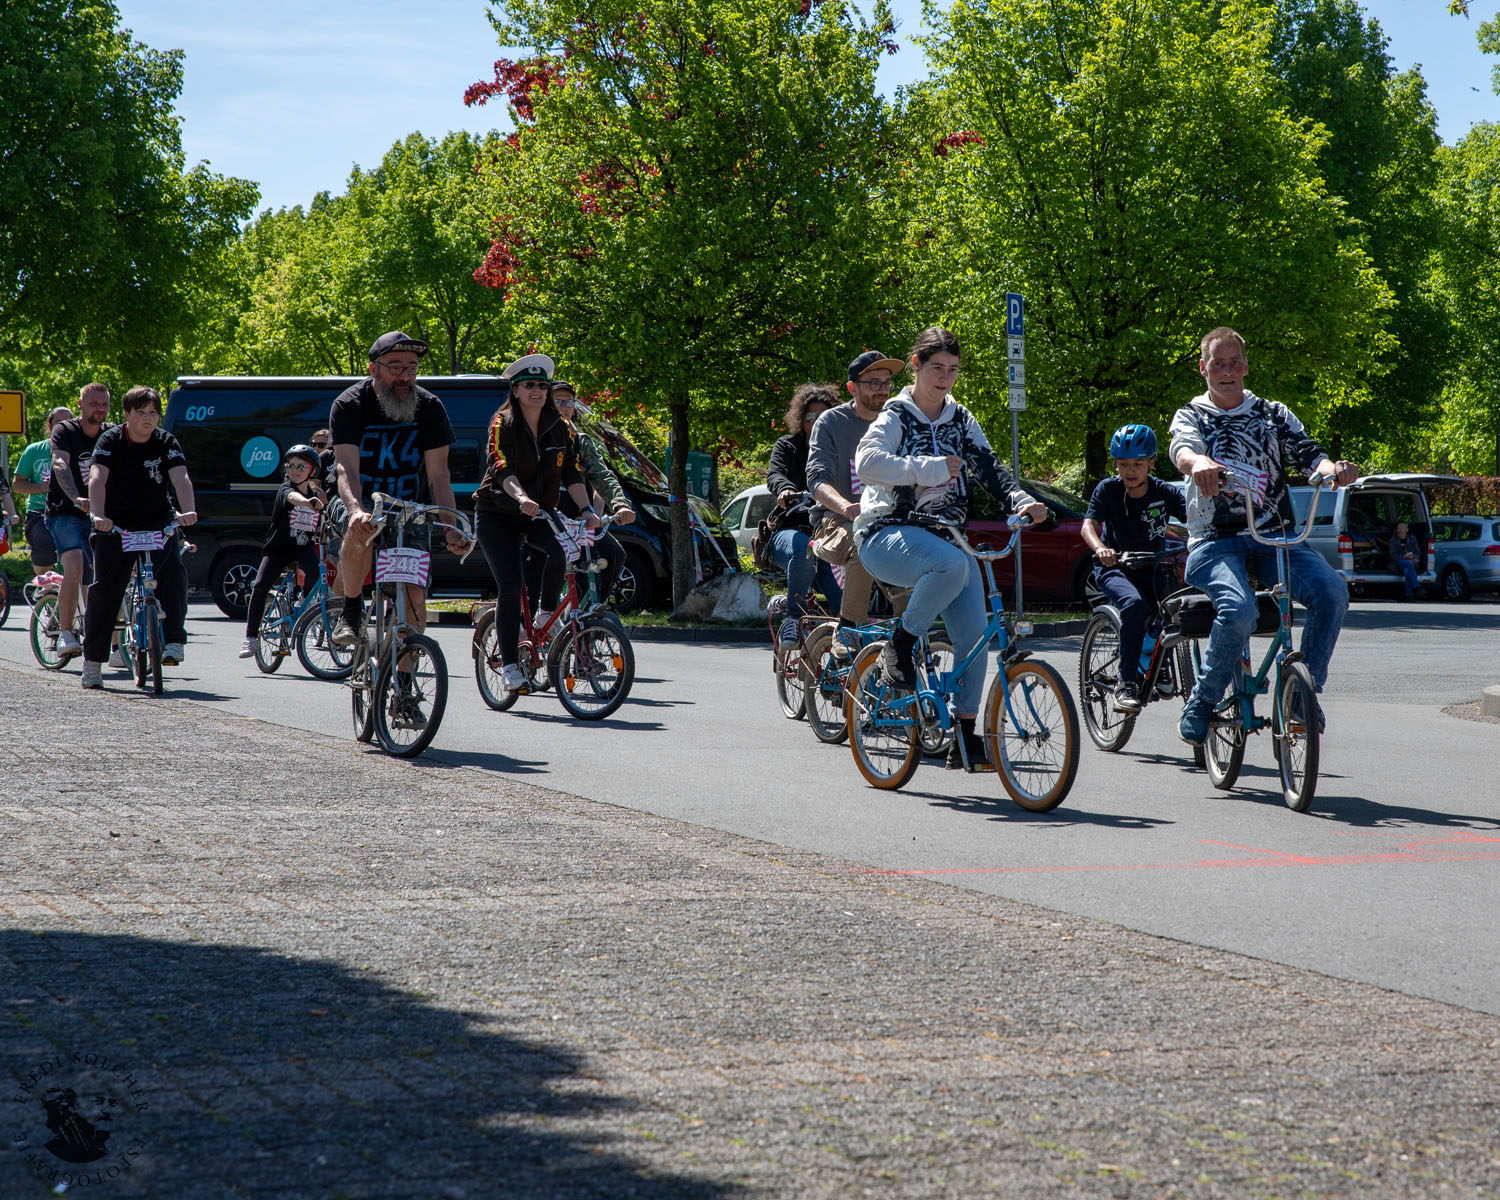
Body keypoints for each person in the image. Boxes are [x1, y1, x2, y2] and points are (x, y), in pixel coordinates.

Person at [853, 326, 1048, 770]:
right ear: (917, 367)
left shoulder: (961, 419)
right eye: (937, 368)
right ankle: (900, 644)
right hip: (885, 532)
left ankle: (964, 737)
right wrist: (929, 467)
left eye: (953, 370)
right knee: (952, 564)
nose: (945, 378)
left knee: (975, 638)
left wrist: (1022, 501)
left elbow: (990, 467)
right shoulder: (896, 415)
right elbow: (866, 464)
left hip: (945, 541)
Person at [1169, 326, 1359, 746]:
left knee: (1332, 592)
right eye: (1218, 363)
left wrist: (1332, 471)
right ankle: (1202, 699)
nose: (1227, 371)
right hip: (1214, 539)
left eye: (1234, 362)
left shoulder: (1273, 413)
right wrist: (1199, 462)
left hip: (1276, 534)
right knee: (1238, 611)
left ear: (1246, 366)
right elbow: (1182, 450)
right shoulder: (1192, 414)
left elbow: (1311, 454)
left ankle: (1300, 696)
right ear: (1204, 368)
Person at [327, 332, 468, 645]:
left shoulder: (430, 407)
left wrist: (451, 528)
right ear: (373, 368)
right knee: (362, 527)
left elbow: (439, 476)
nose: (405, 376)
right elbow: (345, 468)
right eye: (395, 367)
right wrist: (355, 510)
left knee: (414, 595)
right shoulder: (349, 404)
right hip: (357, 499)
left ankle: (404, 683)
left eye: (412, 368)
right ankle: (351, 611)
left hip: (409, 507)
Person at [472, 354, 600, 692]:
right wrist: (520, 498)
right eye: (529, 385)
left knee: (561, 550)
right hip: (497, 513)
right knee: (512, 587)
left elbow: (573, 471)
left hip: (539, 511)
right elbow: (500, 466)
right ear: (515, 390)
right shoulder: (503, 422)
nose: (537, 391)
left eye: (542, 386)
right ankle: (511, 666)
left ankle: (544, 617)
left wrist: (587, 509)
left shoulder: (559, 426)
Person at [79, 386, 198, 689]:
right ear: (127, 414)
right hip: (115, 522)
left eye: (153, 412)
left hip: (156, 519)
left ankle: (173, 640)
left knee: (173, 571)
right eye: (141, 412)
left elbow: (180, 477)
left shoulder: (166, 441)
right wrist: (98, 515)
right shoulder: (110, 440)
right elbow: (97, 477)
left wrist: (188, 511)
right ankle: (93, 663)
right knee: (106, 587)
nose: (148, 418)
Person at [807, 351, 908, 659]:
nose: (882, 388)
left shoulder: (898, 421)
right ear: (852, 387)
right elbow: (817, 479)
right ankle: (847, 627)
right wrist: (845, 506)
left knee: (915, 570)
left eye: (887, 382)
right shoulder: (832, 423)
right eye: (873, 382)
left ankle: (905, 641)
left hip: (888, 522)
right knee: (862, 539)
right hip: (836, 523)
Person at [1080, 424, 1187, 713]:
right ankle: (1125, 683)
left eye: (1138, 464)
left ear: (1152, 463)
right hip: (1116, 568)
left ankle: (1161, 664)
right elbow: (1088, 525)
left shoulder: (1164, 492)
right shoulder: (1108, 490)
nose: (1130, 470)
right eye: (1124, 464)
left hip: (1152, 569)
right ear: (1115, 464)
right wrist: (1100, 548)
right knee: (1134, 605)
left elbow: (1195, 516)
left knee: (1177, 610)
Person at [766, 383, 843, 648]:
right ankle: (792, 618)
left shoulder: (838, 451)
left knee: (844, 606)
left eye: (824, 416)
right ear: (801, 418)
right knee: (804, 549)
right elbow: (775, 473)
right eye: (811, 416)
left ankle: (840, 668)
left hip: (827, 537)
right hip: (789, 533)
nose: (817, 421)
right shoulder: (787, 446)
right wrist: (784, 488)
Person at [549, 380, 635, 600]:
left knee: (613, 555)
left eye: (569, 401)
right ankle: (544, 613)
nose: (564, 406)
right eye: (558, 401)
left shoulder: (581, 441)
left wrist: (620, 504)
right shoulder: (538, 437)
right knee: (554, 563)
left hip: (580, 521)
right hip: (549, 520)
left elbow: (602, 476)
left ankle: (589, 615)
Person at [239, 445, 327, 659]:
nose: (295, 470)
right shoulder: (286, 489)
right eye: (290, 466)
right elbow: (293, 498)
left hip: (302, 547)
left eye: (301, 466)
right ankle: (250, 638)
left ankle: (302, 602)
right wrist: (307, 502)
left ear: (312, 469)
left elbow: (322, 519)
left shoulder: (316, 494)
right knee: (260, 586)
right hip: (278, 549)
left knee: (316, 571)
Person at [45, 384, 112, 660]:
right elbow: (60, 464)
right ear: (81, 404)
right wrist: (76, 498)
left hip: (100, 513)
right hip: (65, 513)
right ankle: (66, 634)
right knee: (74, 567)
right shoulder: (65, 431)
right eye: (94, 403)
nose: (99, 408)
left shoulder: (111, 434)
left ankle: (118, 644)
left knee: (110, 573)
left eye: (104, 404)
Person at [12, 407, 73, 572]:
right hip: (40, 511)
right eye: (59, 423)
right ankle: (46, 588)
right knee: (43, 543)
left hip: (72, 510)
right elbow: (17, 484)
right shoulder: (34, 450)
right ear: (50, 424)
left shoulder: (79, 450)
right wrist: (40, 487)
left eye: (68, 423)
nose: (64, 427)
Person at [1388, 521, 1421, 600]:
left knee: (1407, 571)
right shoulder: (1393, 540)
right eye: (1398, 528)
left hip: (1410, 564)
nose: (1399, 530)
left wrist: (1414, 557)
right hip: (1397, 564)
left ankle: (1409, 595)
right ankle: (1417, 587)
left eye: (1401, 528)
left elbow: (1418, 552)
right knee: (1408, 563)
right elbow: (1393, 555)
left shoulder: (1412, 539)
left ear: (1407, 529)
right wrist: (1405, 557)